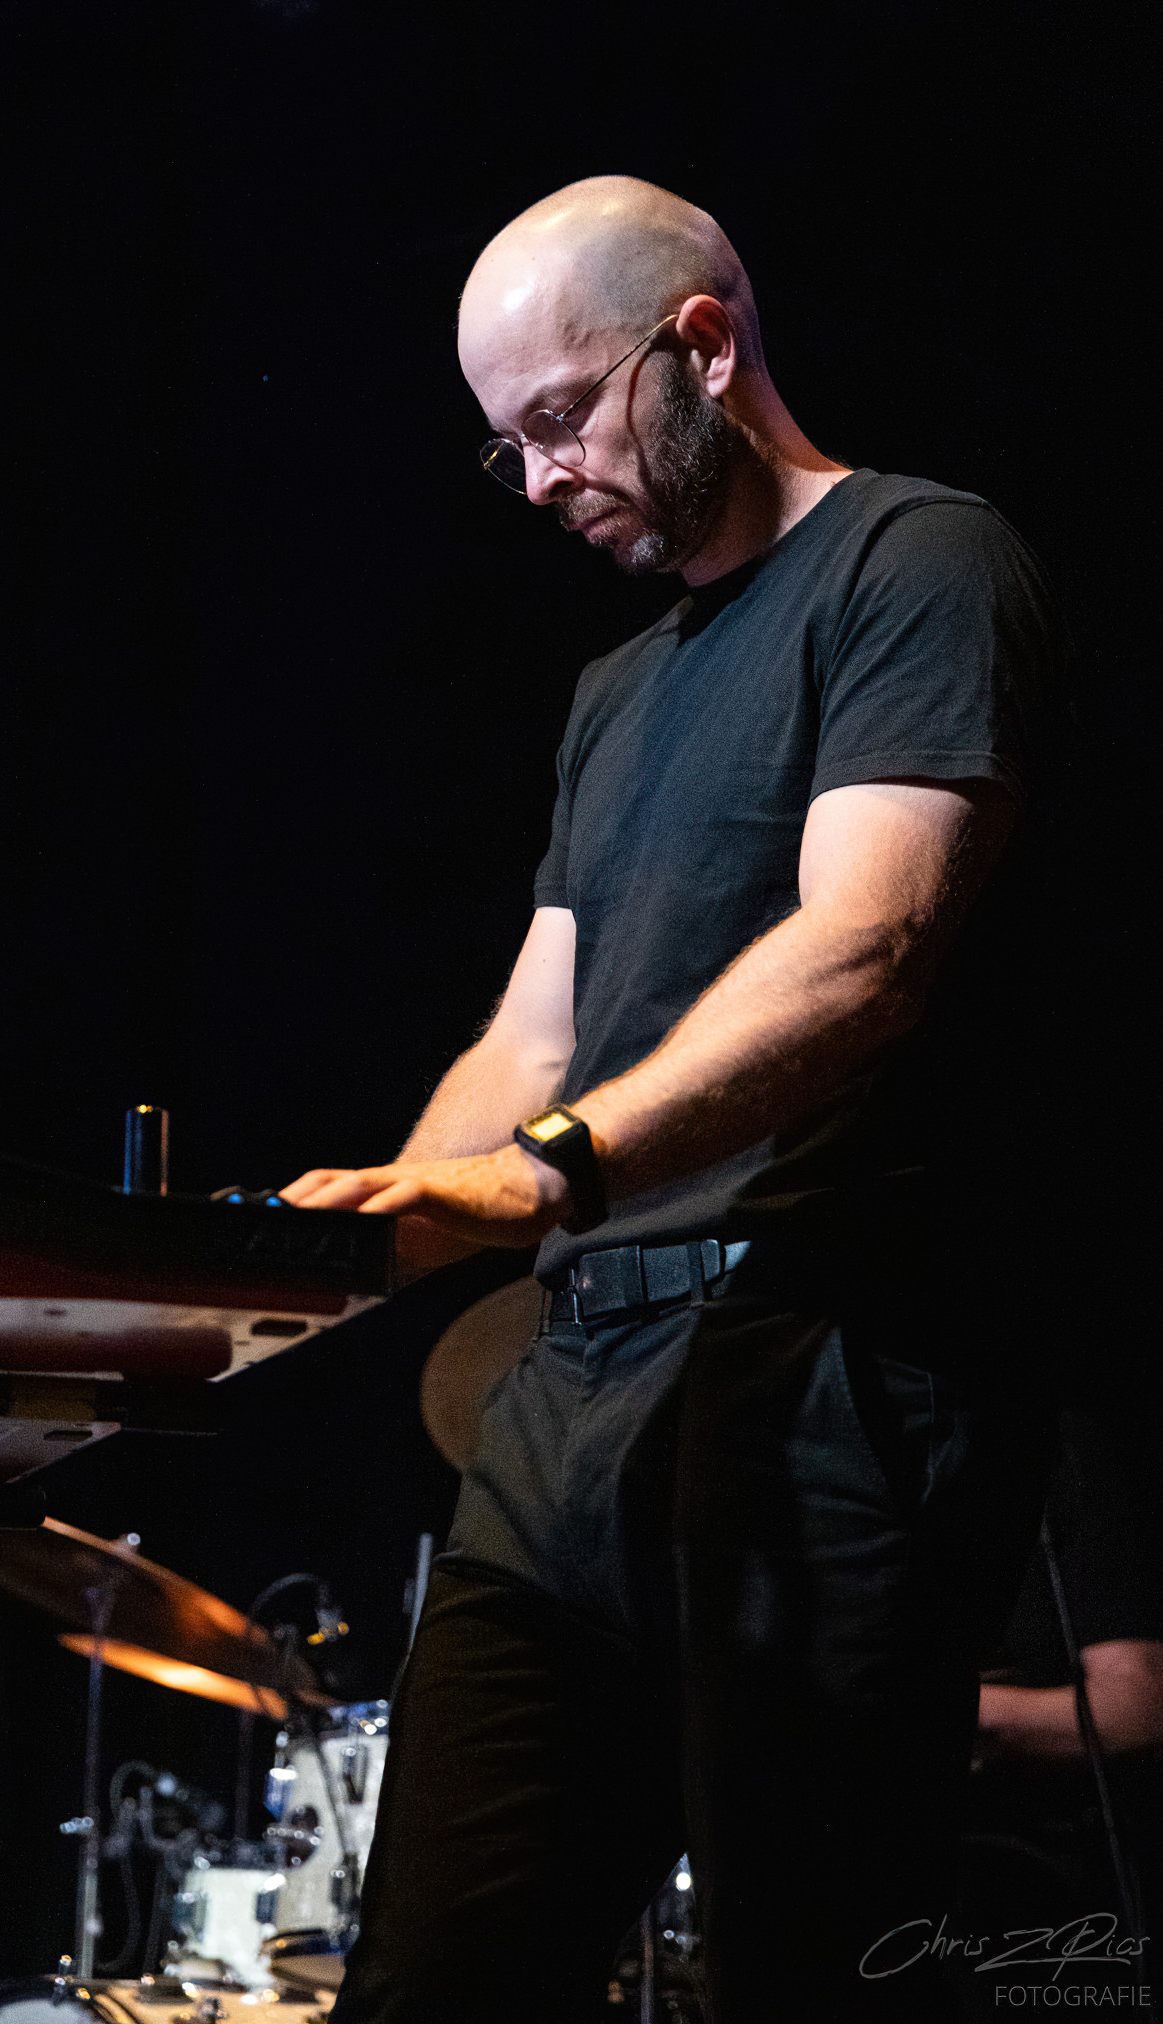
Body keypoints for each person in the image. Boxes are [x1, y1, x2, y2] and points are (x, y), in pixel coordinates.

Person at [281, 176, 1068, 2022]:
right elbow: (530, 1044)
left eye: (560, 417)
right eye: (507, 446)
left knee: (807, 1973)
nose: (537, 479)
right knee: (429, 1985)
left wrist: (545, 1173)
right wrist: (345, 1238)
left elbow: (864, 951)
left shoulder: (917, 563)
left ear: (700, 347)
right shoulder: (615, 690)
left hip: (821, 1384)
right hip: (575, 1409)